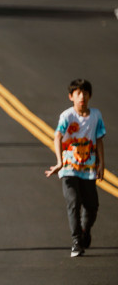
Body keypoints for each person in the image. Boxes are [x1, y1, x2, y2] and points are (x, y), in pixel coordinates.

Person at [45, 79, 106, 257]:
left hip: (88, 169)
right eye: (78, 93)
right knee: (74, 202)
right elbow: (57, 137)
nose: (82, 97)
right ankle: (76, 242)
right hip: (69, 168)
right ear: (71, 96)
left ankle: (85, 230)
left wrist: (102, 164)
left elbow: (99, 139)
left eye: (85, 93)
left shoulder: (96, 116)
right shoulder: (67, 116)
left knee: (92, 206)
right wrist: (59, 162)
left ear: (90, 96)